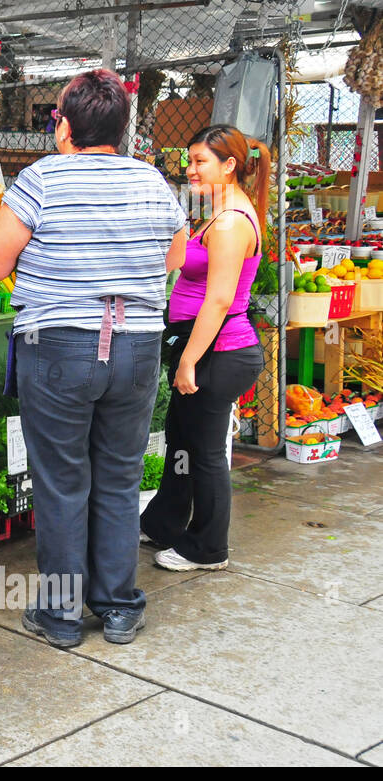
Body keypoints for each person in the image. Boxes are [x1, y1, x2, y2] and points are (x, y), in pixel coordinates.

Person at [0, 68, 188, 648]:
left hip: (59, 346)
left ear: (65, 125)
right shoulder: (153, 183)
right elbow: (173, 258)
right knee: (118, 478)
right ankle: (119, 607)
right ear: (121, 127)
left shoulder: (41, 179)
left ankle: (62, 616)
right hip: (137, 344)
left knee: (62, 481)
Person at [140, 126, 269, 571]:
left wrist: (190, 361)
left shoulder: (232, 222)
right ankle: (164, 522)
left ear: (229, 165)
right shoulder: (219, 213)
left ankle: (209, 548)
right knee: (181, 439)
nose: (189, 169)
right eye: (189, 160)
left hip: (220, 351)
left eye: (200, 162)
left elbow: (218, 300)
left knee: (206, 452)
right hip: (204, 347)